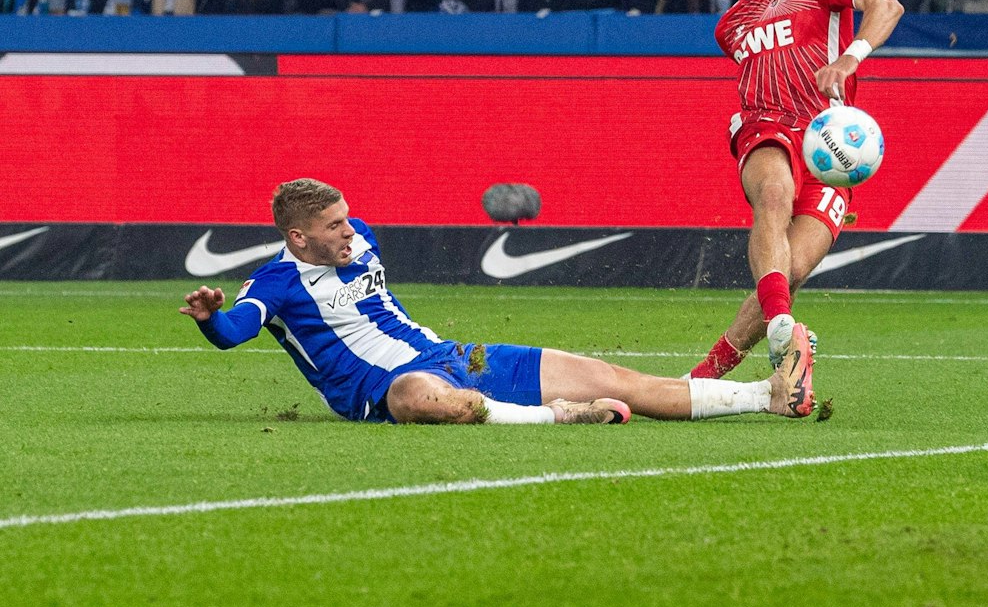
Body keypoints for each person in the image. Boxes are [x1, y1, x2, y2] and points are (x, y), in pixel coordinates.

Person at [179, 179, 813, 424]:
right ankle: (560, 417)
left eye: (348, 220)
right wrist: (212, 319)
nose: (350, 230)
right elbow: (236, 331)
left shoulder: (361, 239)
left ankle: (766, 396)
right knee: (415, 398)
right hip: (389, 390)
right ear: (298, 238)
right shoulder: (275, 285)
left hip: (458, 356)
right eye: (334, 226)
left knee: (611, 375)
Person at [685, 0, 904, 397]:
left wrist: (850, 58)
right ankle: (785, 331)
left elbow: (885, 5)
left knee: (792, 268)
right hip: (765, 128)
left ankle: (699, 381)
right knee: (774, 193)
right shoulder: (729, 26)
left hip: (828, 150)